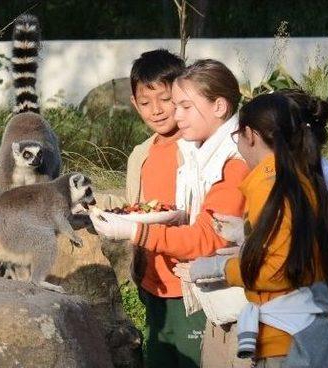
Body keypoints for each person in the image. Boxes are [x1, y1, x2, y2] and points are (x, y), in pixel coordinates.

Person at [212, 89, 328, 367]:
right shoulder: (305, 172)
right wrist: (247, 232)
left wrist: (226, 268)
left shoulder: (307, 178)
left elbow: (290, 254)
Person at [182, 92, 328, 367]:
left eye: (237, 136)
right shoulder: (298, 178)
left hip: (286, 341)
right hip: (296, 332)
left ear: (250, 136)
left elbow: (279, 268)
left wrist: (220, 268)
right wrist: (248, 236)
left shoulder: (270, 186)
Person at [92, 58, 250, 367]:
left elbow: (207, 234)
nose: (166, 112)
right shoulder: (146, 153)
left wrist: (133, 230)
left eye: (178, 104)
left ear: (218, 106)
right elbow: (138, 204)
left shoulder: (223, 155)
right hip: (154, 281)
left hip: (194, 284)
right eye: (147, 102)